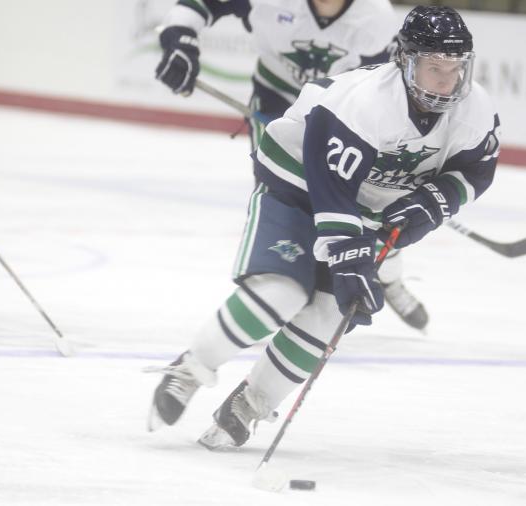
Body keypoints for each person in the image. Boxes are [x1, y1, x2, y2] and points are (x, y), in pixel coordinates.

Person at [147, 5, 501, 450]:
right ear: (407, 63)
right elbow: (328, 180)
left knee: (332, 312)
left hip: (363, 200)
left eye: (455, 69)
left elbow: (478, 168)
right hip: (296, 183)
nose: (447, 82)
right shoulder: (366, 103)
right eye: (434, 68)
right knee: (281, 292)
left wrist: (436, 200)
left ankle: (249, 404)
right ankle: (191, 369)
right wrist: (349, 252)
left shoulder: (475, 108)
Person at [155, 0, 430, 330]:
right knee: (283, 197)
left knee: (364, 210)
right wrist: (180, 41)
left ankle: (389, 275)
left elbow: (389, 88)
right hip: (277, 103)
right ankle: (279, 285)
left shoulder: (376, 17)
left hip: (345, 116)